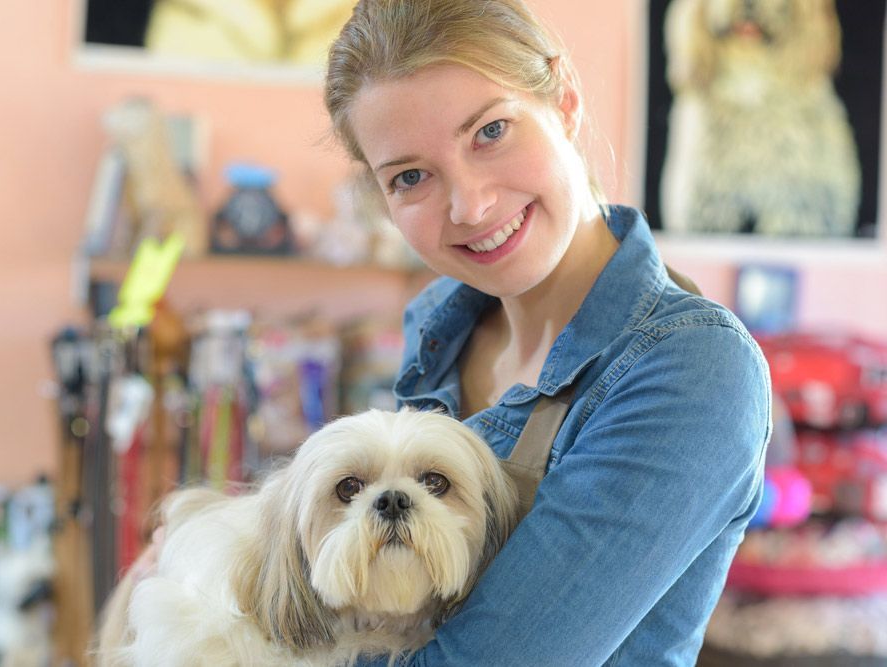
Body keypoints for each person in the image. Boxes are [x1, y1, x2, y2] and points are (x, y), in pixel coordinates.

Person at [322, 0, 771, 665]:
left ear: (564, 99)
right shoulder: (439, 327)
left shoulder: (694, 370)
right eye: (411, 176)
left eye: (491, 131)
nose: (469, 205)